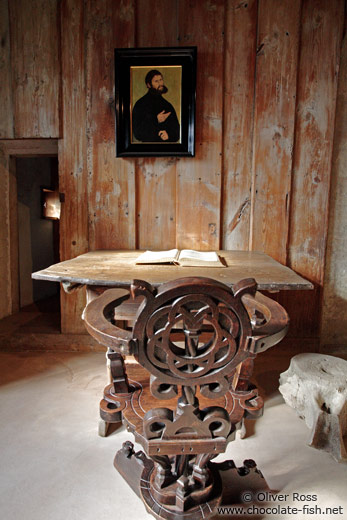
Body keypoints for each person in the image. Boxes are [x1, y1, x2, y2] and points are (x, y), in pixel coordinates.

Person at [132, 69, 180, 143]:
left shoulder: (167, 105)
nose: (160, 83)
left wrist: (169, 135)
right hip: (147, 149)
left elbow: (178, 131)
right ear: (148, 85)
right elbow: (137, 132)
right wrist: (155, 120)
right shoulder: (140, 104)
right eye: (156, 81)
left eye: (161, 80)